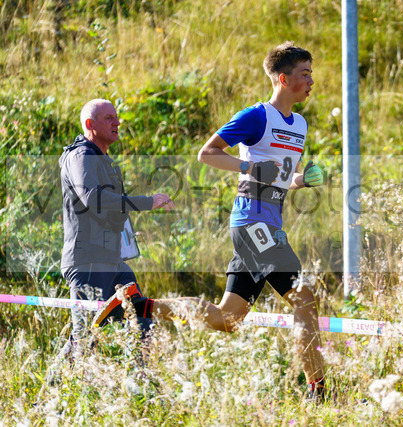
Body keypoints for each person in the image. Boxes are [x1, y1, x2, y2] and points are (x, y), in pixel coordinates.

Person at [93, 42, 328, 401]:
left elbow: (282, 177)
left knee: (226, 319)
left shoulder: (300, 124)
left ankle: (137, 305)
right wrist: (250, 166)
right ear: (283, 79)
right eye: (305, 74)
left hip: (268, 224)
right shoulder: (257, 116)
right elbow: (208, 153)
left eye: (312, 73)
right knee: (305, 298)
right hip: (252, 223)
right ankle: (318, 392)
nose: (311, 81)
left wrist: (302, 180)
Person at [58, 98, 175, 358]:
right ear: (90, 124)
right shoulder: (81, 156)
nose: (117, 122)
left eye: (116, 117)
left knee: (141, 319)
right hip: (88, 261)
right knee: (84, 339)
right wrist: (146, 202)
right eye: (109, 118)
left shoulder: (102, 159)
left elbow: (109, 208)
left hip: (111, 260)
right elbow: (92, 198)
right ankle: (54, 385)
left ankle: (139, 377)